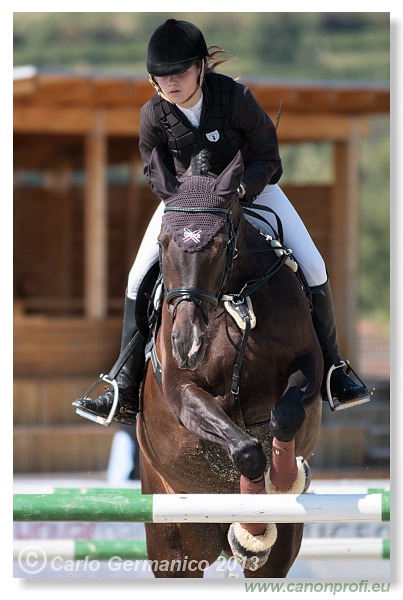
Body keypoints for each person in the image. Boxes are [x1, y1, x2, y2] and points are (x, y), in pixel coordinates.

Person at [73, 18, 369, 424]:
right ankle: (123, 383)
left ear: (200, 67)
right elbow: (152, 169)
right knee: (137, 276)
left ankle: (335, 371)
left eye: (178, 73)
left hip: (253, 191)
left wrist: (240, 192)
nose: (170, 83)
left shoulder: (236, 99)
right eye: (161, 77)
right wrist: (185, 202)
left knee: (314, 265)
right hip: (185, 205)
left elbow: (269, 157)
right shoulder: (153, 114)